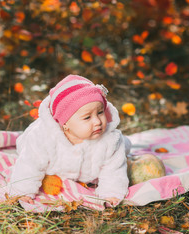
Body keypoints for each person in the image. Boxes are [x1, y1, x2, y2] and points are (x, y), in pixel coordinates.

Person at [8, 74, 130, 207]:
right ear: (64, 123)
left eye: (100, 112)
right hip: (45, 153)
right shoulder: (44, 138)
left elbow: (114, 170)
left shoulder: (109, 141)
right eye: (87, 117)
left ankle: (128, 143)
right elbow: (29, 165)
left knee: (123, 146)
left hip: (88, 169)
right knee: (26, 146)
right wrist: (22, 191)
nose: (97, 121)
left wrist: (111, 193)